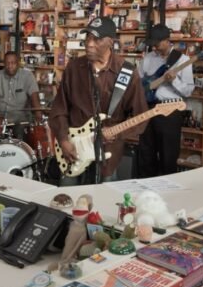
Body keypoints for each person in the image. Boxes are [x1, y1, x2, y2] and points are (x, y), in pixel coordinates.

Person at [49, 17, 148, 185]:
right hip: (73, 148)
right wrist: (63, 139)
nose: (89, 43)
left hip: (107, 153)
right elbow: (60, 108)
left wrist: (117, 133)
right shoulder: (74, 68)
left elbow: (141, 116)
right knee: (68, 198)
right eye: (87, 37)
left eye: (96, 39)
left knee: (104, 202)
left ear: (110, 42)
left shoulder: (127, 73)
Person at [137, 24, 194, 177]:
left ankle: (166, 193)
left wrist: (174, 80)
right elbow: (139, 83)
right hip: (149, 109)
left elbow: (188, 91)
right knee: (145, 154)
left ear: (167, 40)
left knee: (168, 156)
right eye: (152, 44)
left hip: (170, 110)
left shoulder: (183, 60)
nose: (154, 47)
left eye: (157, 43)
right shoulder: (148, 58)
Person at [0, 51, 43, 137]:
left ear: (18, 63)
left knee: (19, 132)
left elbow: (34, 98)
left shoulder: (28, 76)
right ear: (4, 64)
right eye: (7, 63)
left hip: (21, 122)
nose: (10, 66)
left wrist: (38, 118)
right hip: (1, 123)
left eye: (13, 63)